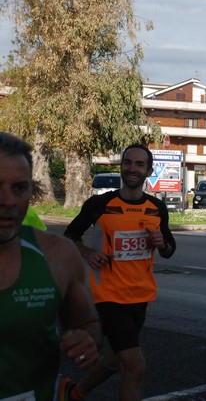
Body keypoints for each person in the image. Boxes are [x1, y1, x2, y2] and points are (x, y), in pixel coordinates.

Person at [63, 144, 176, 401]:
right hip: (109, 296)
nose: (132, 168)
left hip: (141, 295)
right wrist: (87, 253)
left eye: (139, 164)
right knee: (135, 366)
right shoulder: (100, 204)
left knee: (115, 361)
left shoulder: (157, 208)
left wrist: (162, 243)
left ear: (148, 170)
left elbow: (170, 249)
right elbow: (70, 235)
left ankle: (74, 392)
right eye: (128, 163)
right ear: (121, 166)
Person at [0, 132, 100, 401]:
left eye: (19, 188)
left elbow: (87, 325)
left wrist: (86, 342)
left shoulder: (58, 255)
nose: (7, 201)